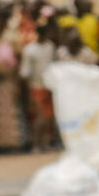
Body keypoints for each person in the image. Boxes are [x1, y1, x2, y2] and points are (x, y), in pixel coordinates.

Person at [0, 4, 28, 152]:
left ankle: (12, 144)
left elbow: (18, 57)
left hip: (7, 79)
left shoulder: (11, 36)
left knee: (10, 111)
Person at [19, 19, 59, 151]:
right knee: (39, 117)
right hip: (36, 86)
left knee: (48, 118)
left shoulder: (50, 47)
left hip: (50, 86)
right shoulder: (30, 50)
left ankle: (45, 143)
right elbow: (25, 73)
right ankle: (36, 144)